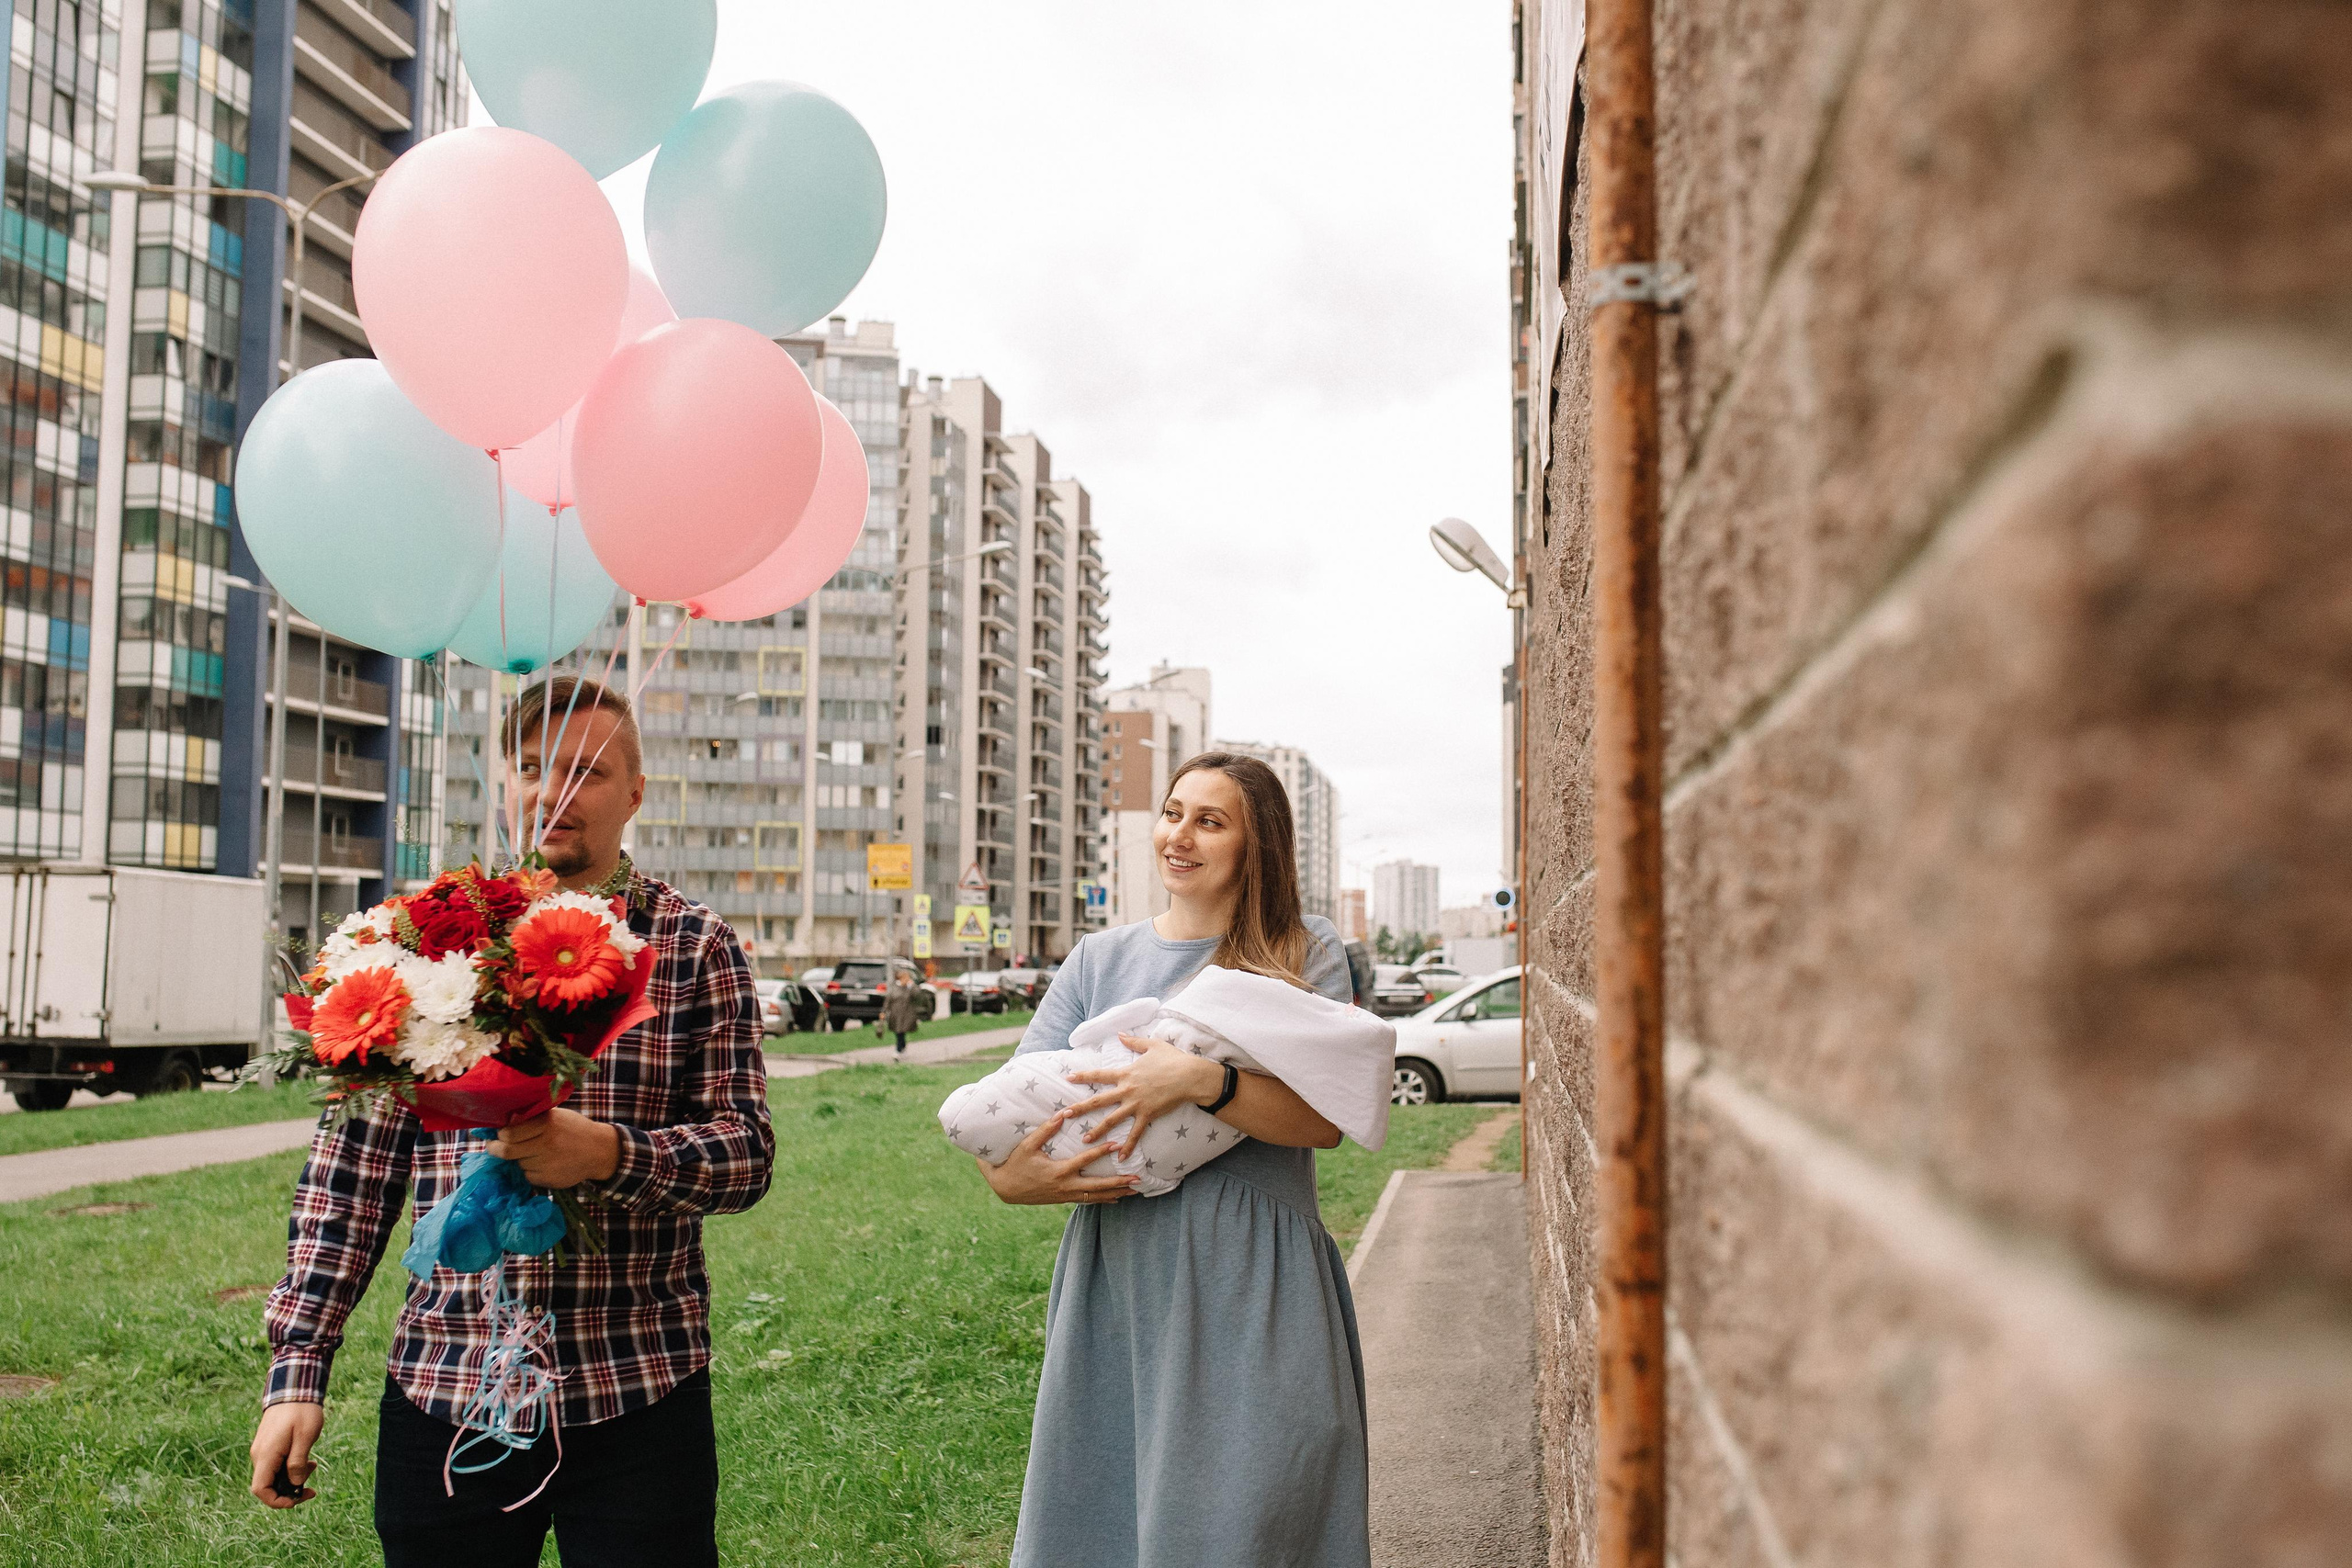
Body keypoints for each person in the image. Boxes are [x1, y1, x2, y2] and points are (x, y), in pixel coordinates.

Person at [247, 677, 774, 1568]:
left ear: (635, 795)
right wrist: (297, 1370)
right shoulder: (427, 941)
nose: (551, 792)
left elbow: (744, 1156)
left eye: (585, 771)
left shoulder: (695, 948)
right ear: (503, 783)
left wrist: (605, 1154)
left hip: (640, 1388)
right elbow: (351, 1175)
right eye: (531, 768)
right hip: (447, 1391)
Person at [978, 751, 1371, 1566]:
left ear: (1254, 845)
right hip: (1119, 1275)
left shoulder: (1302, 948)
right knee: (1105, 1512)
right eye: (1171, 811)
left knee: (1250, 1514)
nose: (1179, 835)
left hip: (1256, 1277)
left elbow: (1324, 1121)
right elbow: (1016, 1108)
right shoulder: (1096, 960)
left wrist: (1202, 1080)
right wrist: (1012, 1181)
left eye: (1209, 820)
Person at [882, 967, 926, 1057]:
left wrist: (913, 985)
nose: (907, 980)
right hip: (895, 1015)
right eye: (905, 978)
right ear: (900, 978)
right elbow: (888, 1001)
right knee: (898, 1032)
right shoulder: (894, 988)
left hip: (907, 1015)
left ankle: (898, 1050)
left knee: (901, 1032)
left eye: (908, 978)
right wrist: (884, 1011)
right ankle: (902, 1048)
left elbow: (918, 996)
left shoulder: (910, 988)